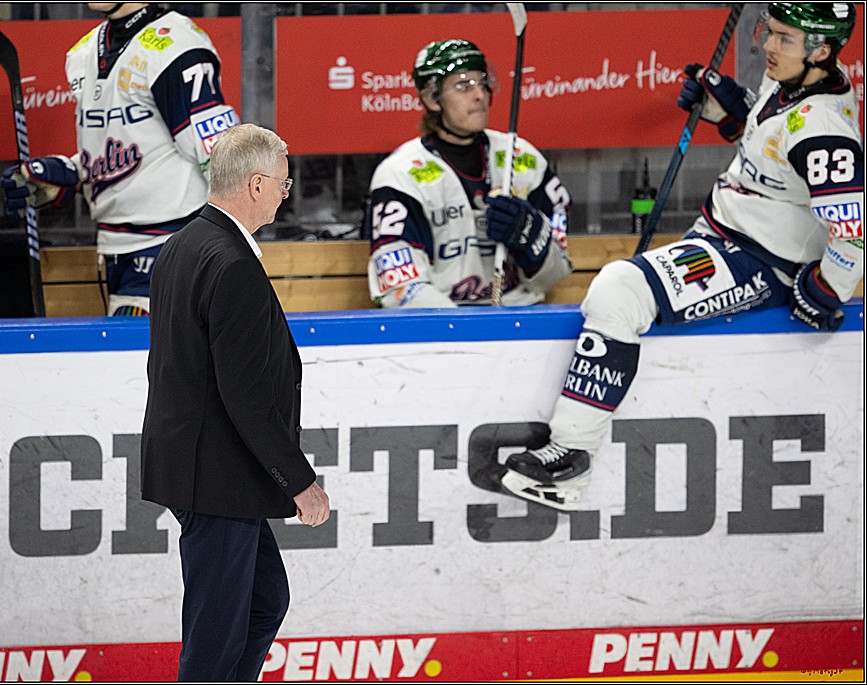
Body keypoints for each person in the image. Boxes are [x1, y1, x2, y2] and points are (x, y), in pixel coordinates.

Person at [501, 2, 863, 511]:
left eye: (784, 38)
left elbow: (854, 230)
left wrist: (824, 289)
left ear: (822, 51)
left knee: (618, 291)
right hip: (725, 235)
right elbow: (774, 159)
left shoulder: (824, 130)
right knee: (626, 294)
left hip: (757, 261)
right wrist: (731, 114)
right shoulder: (794, 81)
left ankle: (571, 458)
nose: (767, 45)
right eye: (770, 31)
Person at [140, 123, 330, 681]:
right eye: (283, 184)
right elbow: (245, 397)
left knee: (264, 601)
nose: (285, 194)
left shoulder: (183, 245)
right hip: (217, 477)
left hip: (204, 471)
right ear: (255, 183)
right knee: (215, 638)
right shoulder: (232, 263)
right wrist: (299, 481)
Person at [0, 2, 238, 316]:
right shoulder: (84, 51)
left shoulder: (177, 47)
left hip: (172, 247)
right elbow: (133, 144)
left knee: (145, 348)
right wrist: (70, 174)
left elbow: (220, 155)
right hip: (115, 249)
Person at [366, 39, 572, 308]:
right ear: (431, 98)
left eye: (482, 83)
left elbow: (555, 274)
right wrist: (464, 327)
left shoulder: (523, 158)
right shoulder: (400, 174)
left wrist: (532, 241)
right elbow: (400, 288)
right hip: (442, 326)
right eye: (463, 86)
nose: (480, 95)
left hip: (516, 318)